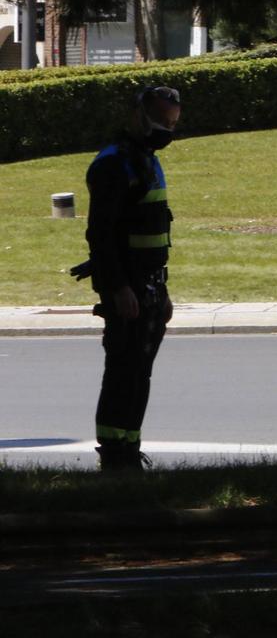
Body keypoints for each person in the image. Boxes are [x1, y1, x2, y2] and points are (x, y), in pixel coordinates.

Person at [84, 85, 181, 471]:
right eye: (161, 121)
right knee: (123, 375)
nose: (167, 130)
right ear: (139, 116)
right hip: (129, 289)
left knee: (139, 375)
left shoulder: (145, 159)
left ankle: (129, 451)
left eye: (172, 123)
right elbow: (101, 236)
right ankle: (114, 457)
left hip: (151, 286)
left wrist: (163, 289)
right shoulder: (114, 164)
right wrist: (119, 288)